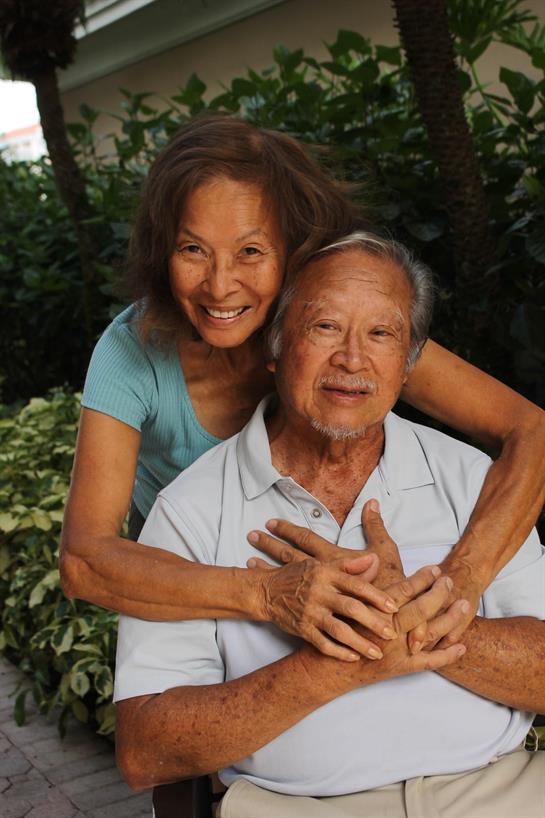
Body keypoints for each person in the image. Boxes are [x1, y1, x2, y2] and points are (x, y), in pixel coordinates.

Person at [60, 115, 545, 657]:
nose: (220, 286)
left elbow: (532, 431)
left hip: (341, 584)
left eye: (250, 251)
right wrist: (269, 595)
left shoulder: (335, 329)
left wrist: (461, 581)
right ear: (160, 251)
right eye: (192, 249)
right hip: (196, 603)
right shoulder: (130, 350)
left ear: (293, 249)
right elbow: (85, 560)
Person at [114, 233, 545, 818]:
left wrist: (416, 619)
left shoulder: (473, 479)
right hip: (301, 807)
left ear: (408, 362)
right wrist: (338, 661)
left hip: (501, 791)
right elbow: (145, 749)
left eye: (381, 334)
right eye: (324, 328)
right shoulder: (189, 511)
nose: (352, 359)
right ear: (274, 346)